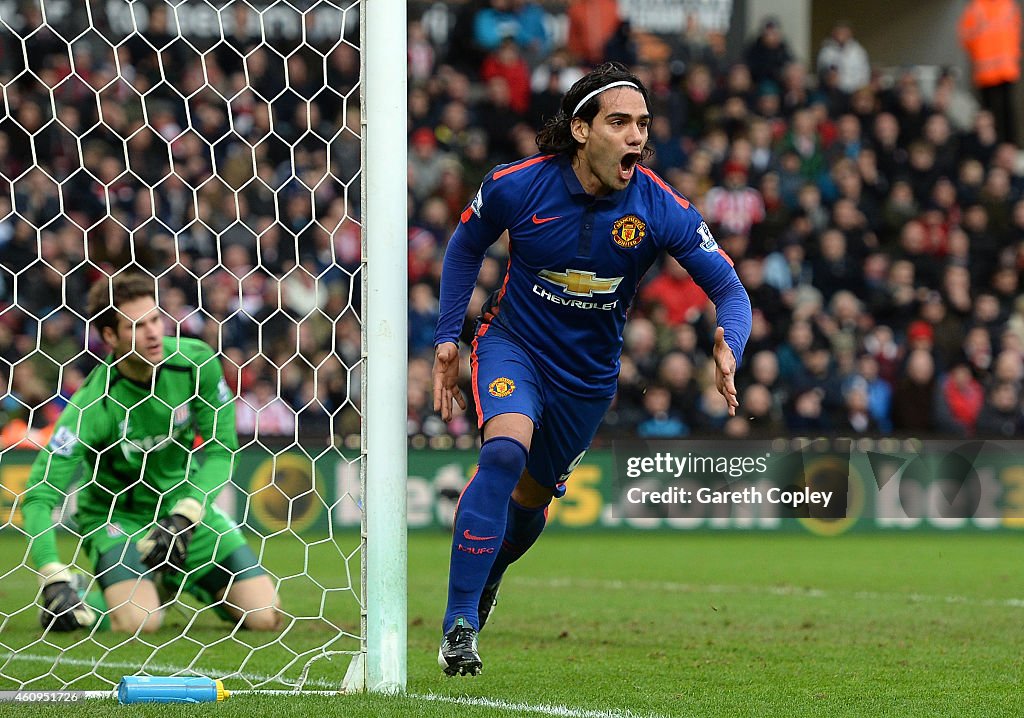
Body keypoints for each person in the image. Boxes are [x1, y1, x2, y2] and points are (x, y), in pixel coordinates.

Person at [431, 62, 752, 676]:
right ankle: (459, 623)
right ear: (580, 130)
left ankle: (488, 578)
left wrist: (729, 342)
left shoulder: (662, 208)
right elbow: (465, 244)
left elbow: (731, 291)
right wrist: (449, 336)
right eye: (620, 122)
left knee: (528, 504)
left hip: (587, 379)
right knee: (503, 455)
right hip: (512, 346)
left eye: (643, 125)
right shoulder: (515, 185)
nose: (637, 137)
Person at [22, 272, 280, 634]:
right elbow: (40, 494)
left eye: (156, 319)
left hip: (183, 508)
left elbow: (223, 449)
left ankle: (168, 581)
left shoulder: (196, 363)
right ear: (110, 337)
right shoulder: (90, 405)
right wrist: (51, 571)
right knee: (140, 622)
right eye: (137, 326)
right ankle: (82, 601)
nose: (154, 333)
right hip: (119, 521)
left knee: (265, 615)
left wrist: (188, 511)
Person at [958, 0, 1022, 144]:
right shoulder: (1006, 6)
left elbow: (965, 38)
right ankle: (1003, 145)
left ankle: (1003, 145)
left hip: (992, 69)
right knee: (999, 113)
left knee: (999, 112)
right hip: (998, 69)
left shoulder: (976, 8)